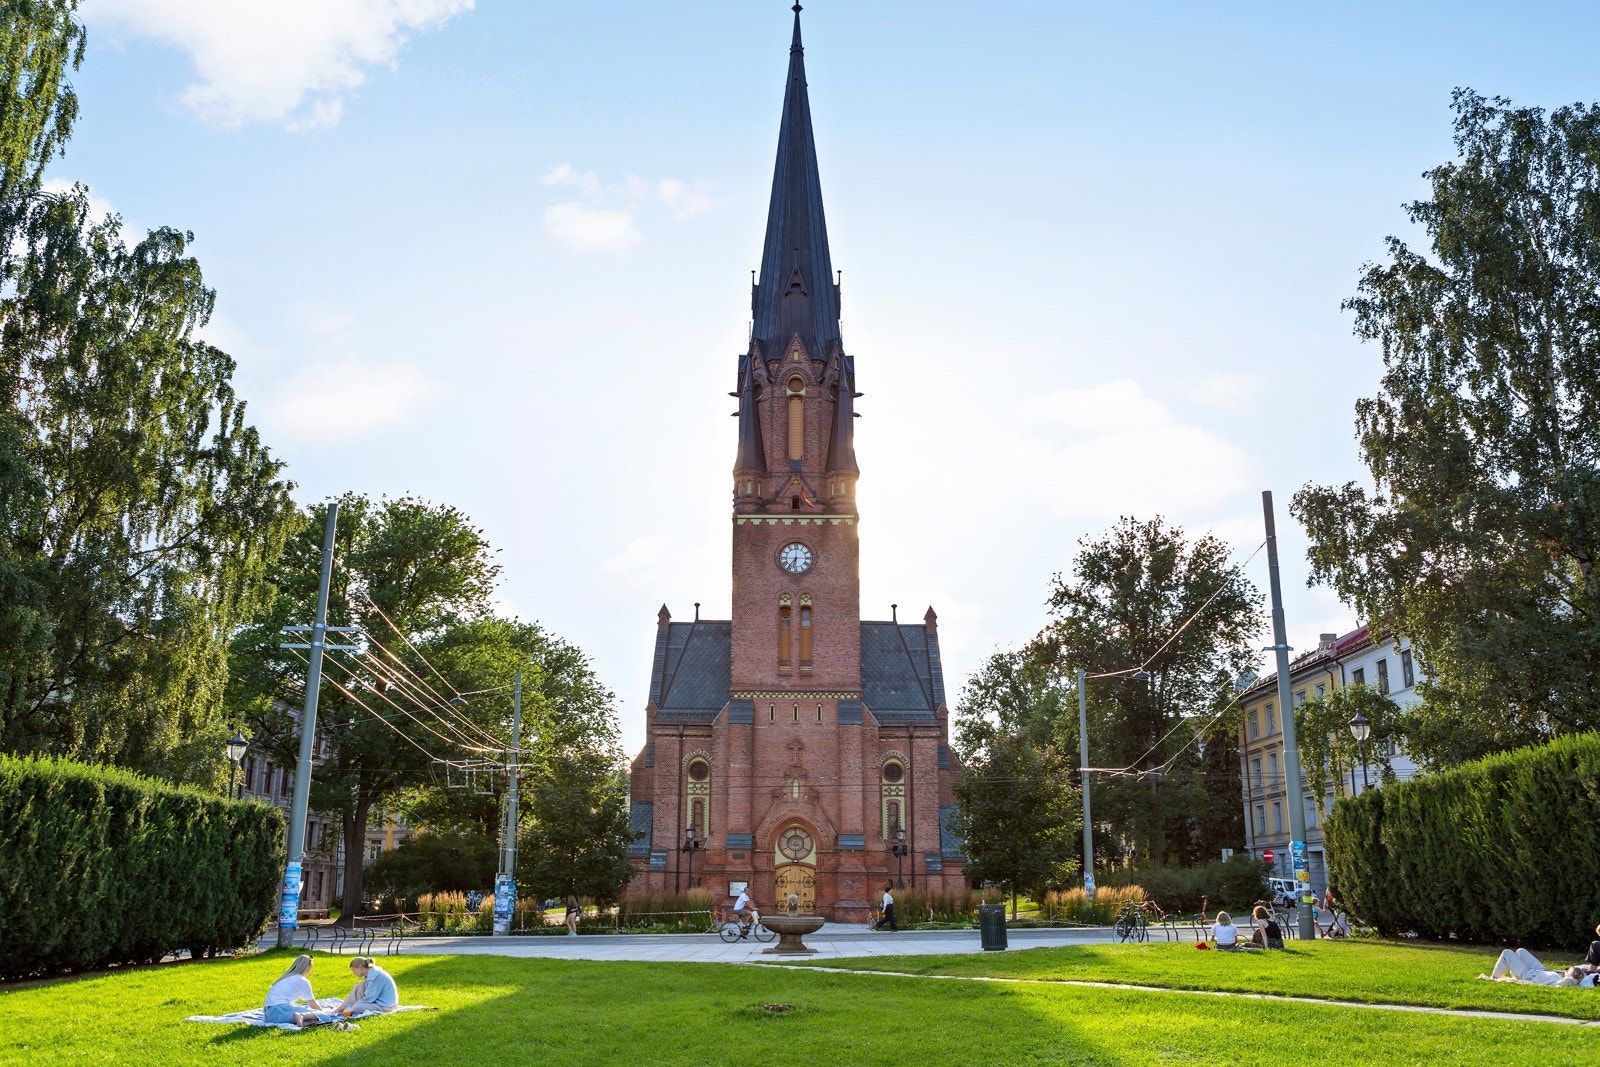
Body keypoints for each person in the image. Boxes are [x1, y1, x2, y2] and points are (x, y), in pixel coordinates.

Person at [262, 955, 328, 1027]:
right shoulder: (302, 980)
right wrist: (324, 1013)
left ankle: (302, 1021)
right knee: (324, 1016)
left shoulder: (286, 977)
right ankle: (302, 1015)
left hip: (269, 1016)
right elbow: (313, 1004)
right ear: (307, 966)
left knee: (310, 1016)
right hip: (280, 1011)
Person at [1487, 947, 1596, 987]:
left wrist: (1571, 976)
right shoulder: (1582, 976)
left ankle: (1494, 978)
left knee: (1507, 953)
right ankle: (1512, 970)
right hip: (1542, 970)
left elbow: (1569, 981)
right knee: (1520, 951)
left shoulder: (1568, 981)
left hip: (1529, 976)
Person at [332, 956, 400, 1015]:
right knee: (360, 985)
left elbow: (369, 998)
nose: (353, 973)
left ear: (361, 968)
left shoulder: (375, 977)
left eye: (353, 970)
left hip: (385, 1007)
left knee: (356, 1007)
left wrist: (354, 1005)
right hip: (377, 1001)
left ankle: (345, 1007)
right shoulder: (371, 974)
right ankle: (343, 1006)